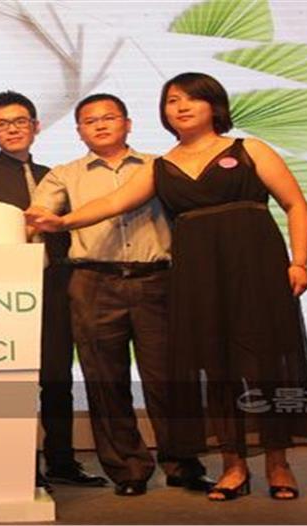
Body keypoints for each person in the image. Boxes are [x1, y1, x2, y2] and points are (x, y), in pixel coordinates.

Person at [27, 73, 307, 501]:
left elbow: (295, 203)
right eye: (172, 100)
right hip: (196, 276)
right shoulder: (162, 166)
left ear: (213, 105)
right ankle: (233, 467)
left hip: (253, 266)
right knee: (215, 371)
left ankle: (278, 465)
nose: (181, 107)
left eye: (191, 99)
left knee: (263, 365)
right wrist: (62, 222)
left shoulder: (249, 149)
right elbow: (112, 203)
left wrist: (299, 261)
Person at [28, 93, 211, 497]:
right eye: (89, 120)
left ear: (127, 123)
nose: (100, 125)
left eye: (109, 117)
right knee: (105, 381)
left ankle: (183, 464)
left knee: (169, 379)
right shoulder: (63, 174)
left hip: (156, 281)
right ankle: (128, 469)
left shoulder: (160, 166)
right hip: (93, 282)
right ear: (79, 131)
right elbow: (39, 216)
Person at [0, 91, 107, 490]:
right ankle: (20, 465)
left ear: (36, 126)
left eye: (20, 121)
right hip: (5, 293)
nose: (12, 130)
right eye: (2, 124)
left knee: (57, 378)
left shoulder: (56, 175)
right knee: (14, 382)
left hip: (56, 287)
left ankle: (62, 461)